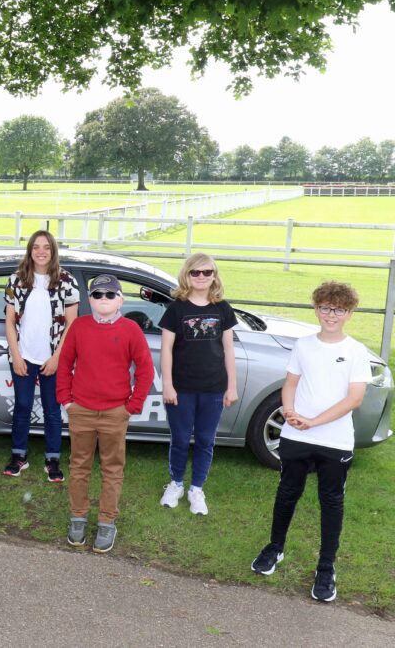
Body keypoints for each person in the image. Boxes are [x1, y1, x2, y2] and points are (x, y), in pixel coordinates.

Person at [251, 281, 371, 603]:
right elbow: (291, 382)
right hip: (296, 436)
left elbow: (354, 399)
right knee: (287, 493)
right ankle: (275, 548)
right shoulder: (303, 345)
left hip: (335, 441)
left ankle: (326, 567)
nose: (331, 314)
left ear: (349, 313)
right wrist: (289, 411)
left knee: (331, 502)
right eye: (325, 307)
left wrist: (315, 422)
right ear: (317, 308)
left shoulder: (356, 351)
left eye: (339, 309)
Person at [56, 274, 154, 553]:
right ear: (90, 300)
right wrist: (66, 401)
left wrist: (132, 406)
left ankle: (107, 521)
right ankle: (78, 517)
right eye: (98, 295)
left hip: (115, 412)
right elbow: (64, 364)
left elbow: (145, 370)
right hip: (81, 411)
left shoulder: (131, 329)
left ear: (120, 299)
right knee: (79, 466)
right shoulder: (79, 327)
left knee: (112, 469)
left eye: (110, 295)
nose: (104, 300)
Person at [158, 253, 238, 515]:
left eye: (207, 272)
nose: (202, 277)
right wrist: (168, 385)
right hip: (181, 388)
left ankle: (196, 489)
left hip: (214, 387)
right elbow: (166, 349)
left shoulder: (222, 308)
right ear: (187, 275)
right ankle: (176, 483)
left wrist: (232, 386)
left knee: (205, 440)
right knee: (180, 438)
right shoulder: (176, 309)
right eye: (196, 272)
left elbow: (228, 349)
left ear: (214, 276)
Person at [3, 229, 79, 481]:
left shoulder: (67, 281)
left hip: (53, 358)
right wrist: (16, 355)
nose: (41, 251)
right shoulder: (16, 280)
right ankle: (18, 456)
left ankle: (53, 459)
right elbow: (10, 320)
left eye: (46, 247)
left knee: (52, 409)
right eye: (36, 246)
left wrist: (57, 358)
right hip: (24, 354)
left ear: (53, 251)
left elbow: (72, 324)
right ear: (30, 251)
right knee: (22, 406)